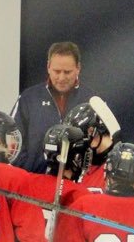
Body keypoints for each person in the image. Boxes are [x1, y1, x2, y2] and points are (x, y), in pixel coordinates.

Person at [11, 41, 96, 173]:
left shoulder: (92, 101)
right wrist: (27, 173)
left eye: (67, 72)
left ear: (78, 68)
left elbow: (104, 146)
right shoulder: (28, 98)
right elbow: (12, 140)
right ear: (48, 67)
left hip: (77, 188)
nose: (61, 77)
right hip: (33, 184)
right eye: (57, 71)